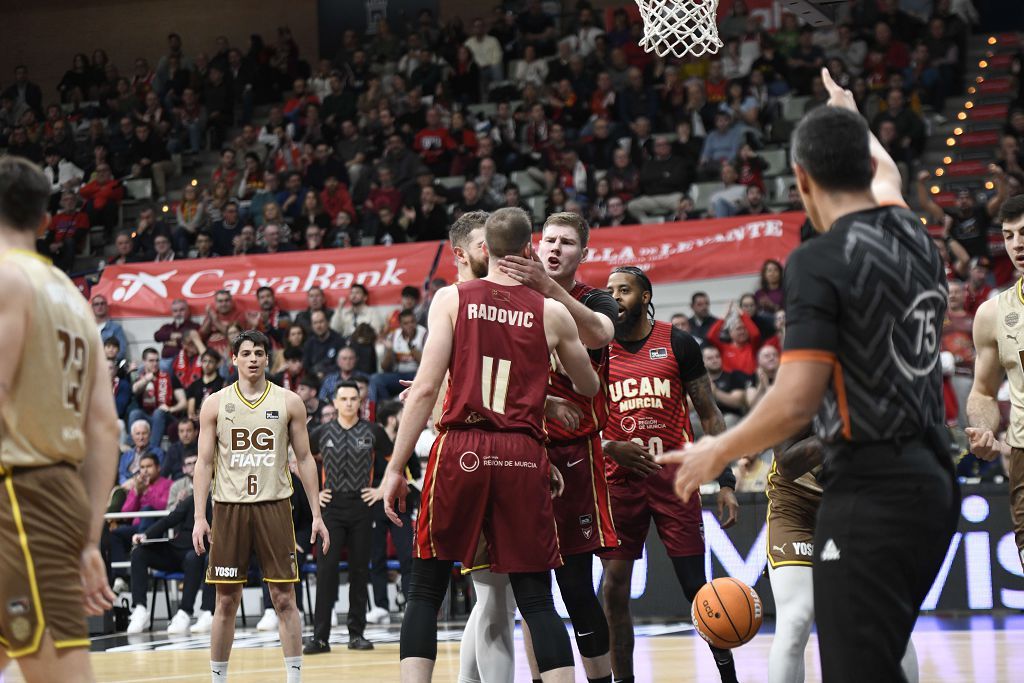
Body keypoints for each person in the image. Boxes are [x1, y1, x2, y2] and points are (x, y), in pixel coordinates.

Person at [662, 69, 959, 683]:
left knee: (857, 667)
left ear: (801, 180)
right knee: (885, 652)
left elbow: (796, 401)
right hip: (934, 481)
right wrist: (849, 112)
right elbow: (889, 174)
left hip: (870, 486)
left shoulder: (818, 260)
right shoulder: (914, 234)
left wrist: (718, 447)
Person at [379, 207, 600, 683]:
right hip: (522, 451)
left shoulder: (451, 299)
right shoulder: (552, 311)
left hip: (461, 447)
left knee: (425, 589)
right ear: (529, 250)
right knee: (536, 597)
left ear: (486, 250)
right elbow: (588, 386)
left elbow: (422, 389)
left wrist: (395, 466)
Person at [0, 155, 118, 682]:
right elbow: (105, 429)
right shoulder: (75, 299)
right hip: (57, 491)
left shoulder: (6, 279)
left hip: (20, 498)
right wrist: (90, 538)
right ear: (47, 222)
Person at [496, 211, 619, 683]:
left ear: (581, 254)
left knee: (575, 587)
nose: (554, 249)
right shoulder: (509, 299)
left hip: (577, 454)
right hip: (522, 449)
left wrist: (549, 291)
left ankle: (601, 679)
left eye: (566, 243)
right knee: (531, 591)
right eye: (548, 240)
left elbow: (599, 334)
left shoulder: (594, 299)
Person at [601, 267, 740, 683]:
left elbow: (709, 414)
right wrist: (610, 449)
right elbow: (580, 422)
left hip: (674, 482)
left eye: (623, 290)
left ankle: (728, 677)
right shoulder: (596, 348)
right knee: (613, 590)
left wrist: (726, 479)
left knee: (699, 591)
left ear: (645, 296)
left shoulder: (678, 342)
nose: (615, 297)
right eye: (609, 291)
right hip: (619, 482)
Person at [192, 330, 330, 683]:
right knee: (225, 602)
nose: (253, 358)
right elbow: (203, 463)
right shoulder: (215, 403)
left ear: (269, 359)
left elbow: (305, 460)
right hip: (228, 508)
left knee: (284, 598)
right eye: (246, 353)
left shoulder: (289, 401)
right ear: (233, 359)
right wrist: (198, 517)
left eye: (259, 353)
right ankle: (218, 679)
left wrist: (316, 513)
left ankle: (294, 678)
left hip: (275, 506)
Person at [763, 431, 919, 683]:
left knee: (889, 619)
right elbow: (787, 463)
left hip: (858, 504)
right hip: (797, 507)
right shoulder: (800, 391)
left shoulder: (892, 394)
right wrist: (850, 427)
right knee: (796, 621)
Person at [303, 381, 392, 653]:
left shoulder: (373, 431)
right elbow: (297, 458)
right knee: (326, 572)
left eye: (354, 398)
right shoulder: (321, 432)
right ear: (335, 401)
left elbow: (397, 460)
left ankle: (357, 634)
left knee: (359, 571)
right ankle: (320, 637)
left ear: (360, 401)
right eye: (344, 398)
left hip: (362, 507)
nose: (350, 403)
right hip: (331, 509)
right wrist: (314, 493)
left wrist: (381, 489)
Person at [966, 194, 1024, 572]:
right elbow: (983, 391)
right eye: (1008, 235)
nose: (1017, 244)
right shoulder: (993, 313)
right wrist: (985, 430)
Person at [125, 493, 215, 636]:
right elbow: (168, 520)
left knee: (195, 556)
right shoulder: (193, 499)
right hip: (176, 550)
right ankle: (140, 608)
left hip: (199, 554)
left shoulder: (223, 504)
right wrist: (146, 536)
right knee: (139, 553)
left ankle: (185, 613)